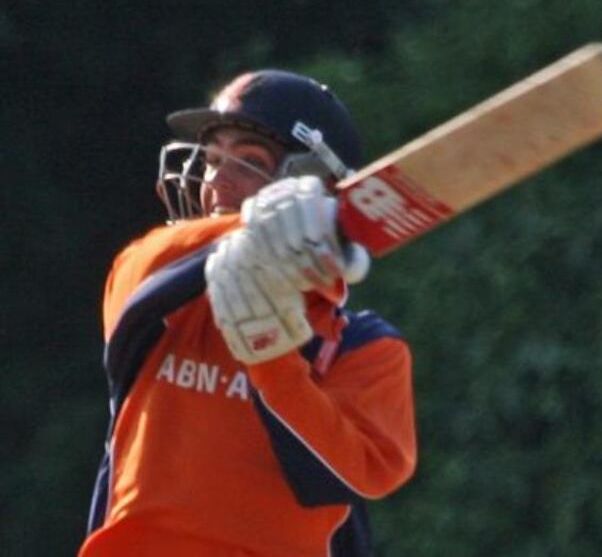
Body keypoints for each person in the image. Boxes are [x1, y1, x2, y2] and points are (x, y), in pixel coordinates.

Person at [79, 70, 417, 557]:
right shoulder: (155, 281)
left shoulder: (364, 348)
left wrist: (275, 362)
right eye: (213, 159)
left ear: (313, 185)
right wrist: (277, 229)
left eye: (248, 161)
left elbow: (360, 471)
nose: (215, 178)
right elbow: (157, 262)